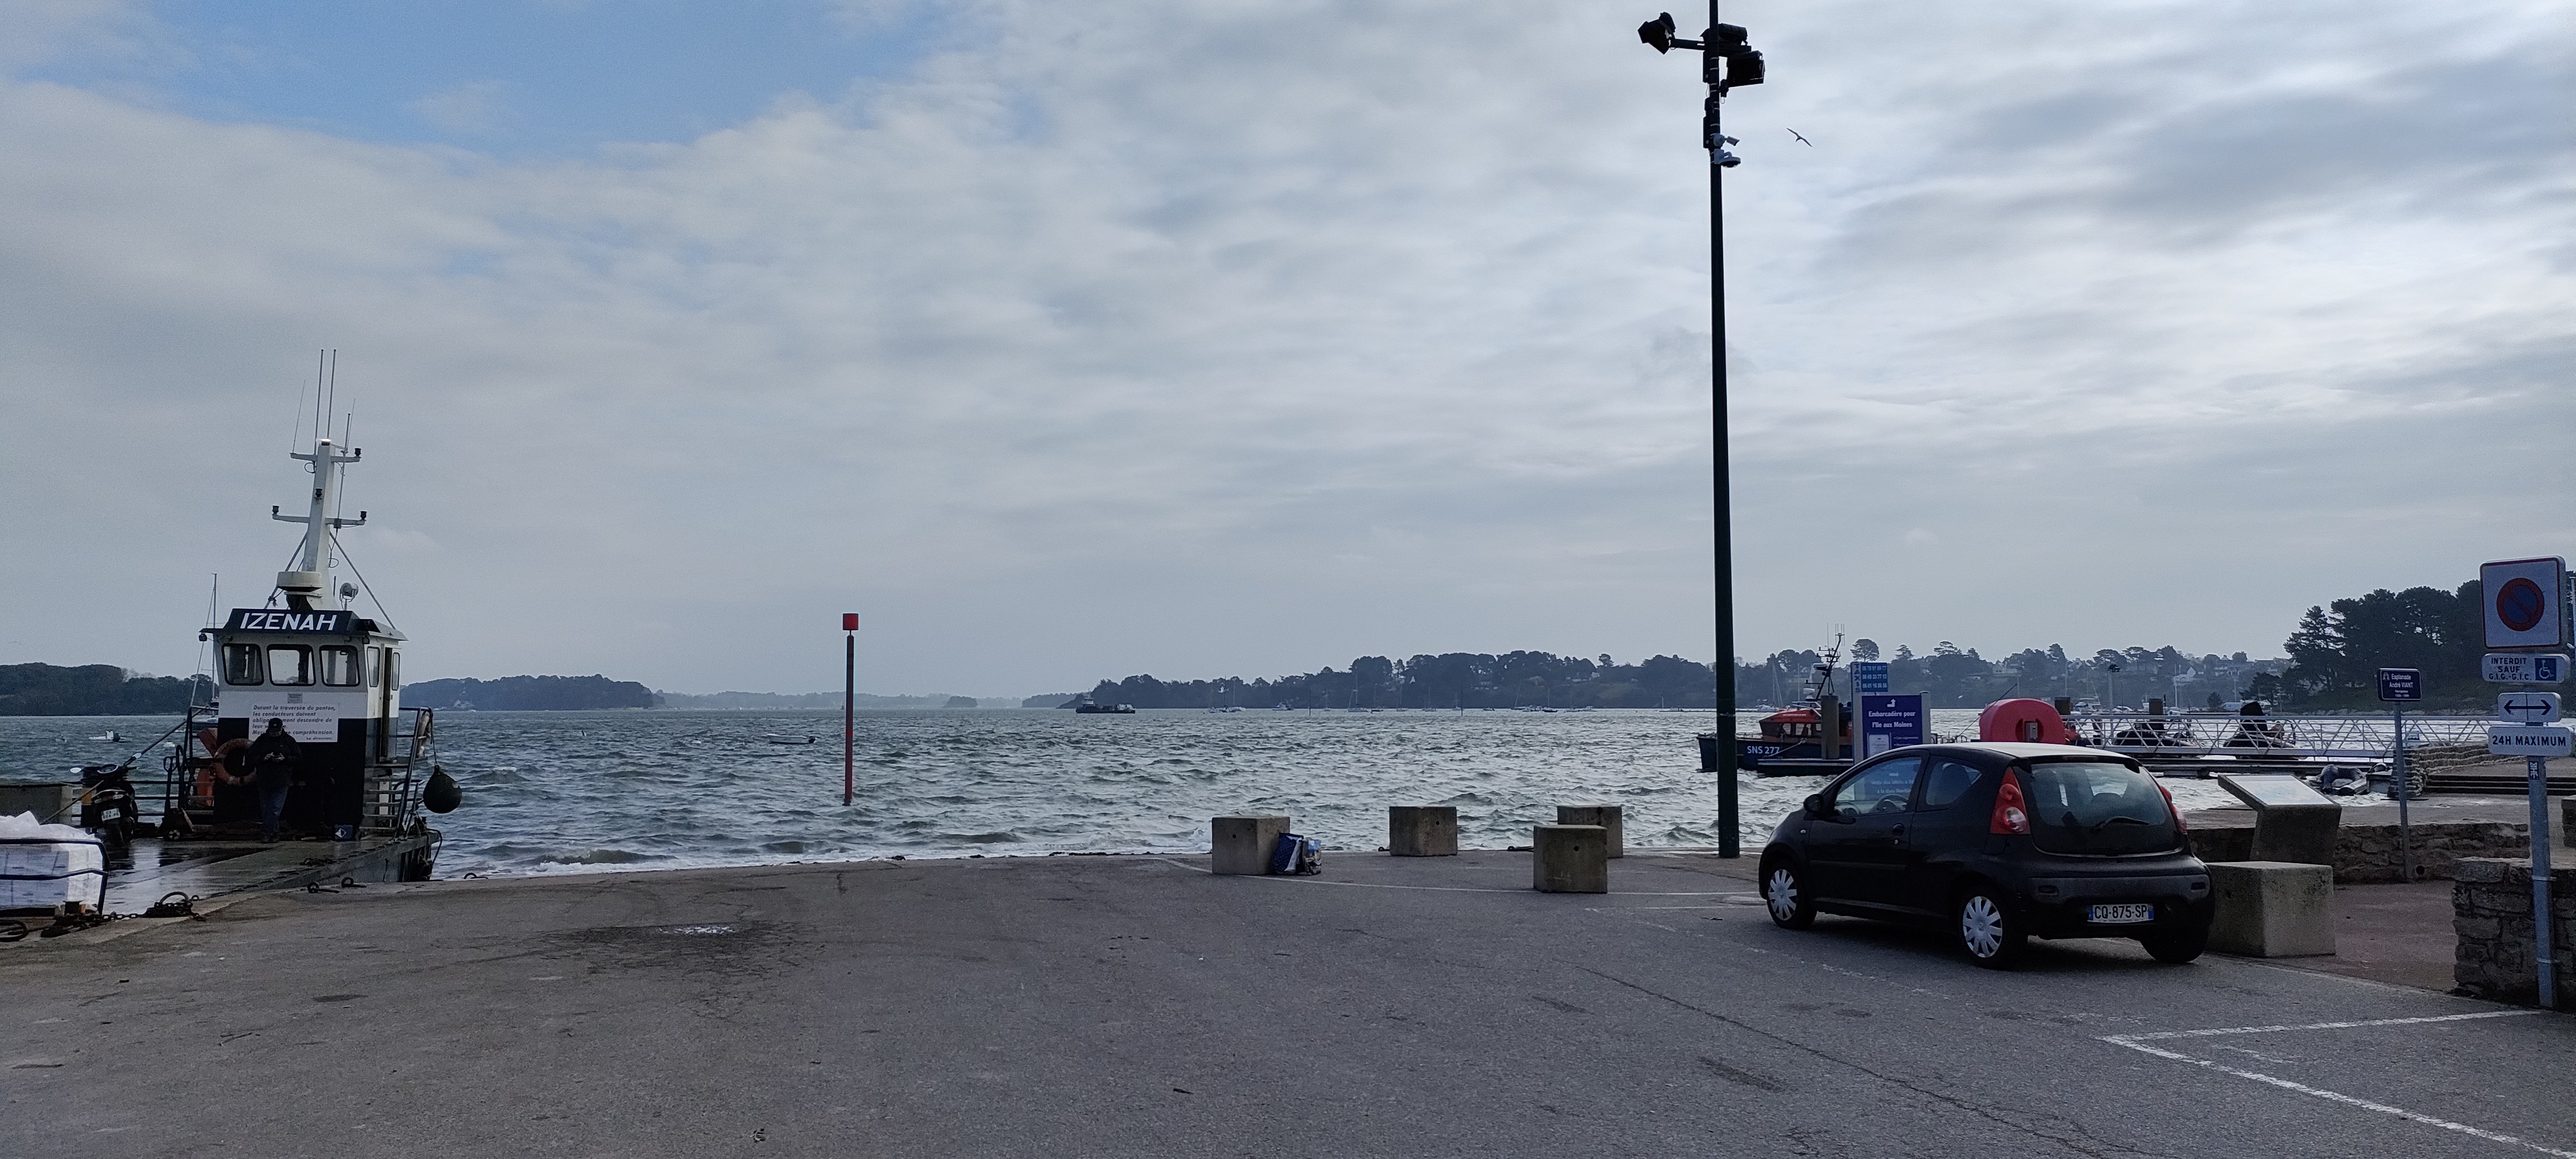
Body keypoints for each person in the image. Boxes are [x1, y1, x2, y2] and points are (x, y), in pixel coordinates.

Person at [244, 718, 303, 842]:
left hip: (282, 780)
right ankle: (275, 833)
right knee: (266, 809)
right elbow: (250, 756)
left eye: (277, 731)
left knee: (275, 808)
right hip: (264, 779)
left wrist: (285, 759)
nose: (275, 733)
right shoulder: (262, 740)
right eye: (273, 731)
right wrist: (263, 758)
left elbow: (299, 758)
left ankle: (267, 833)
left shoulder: (289, 740)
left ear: (282, 728)